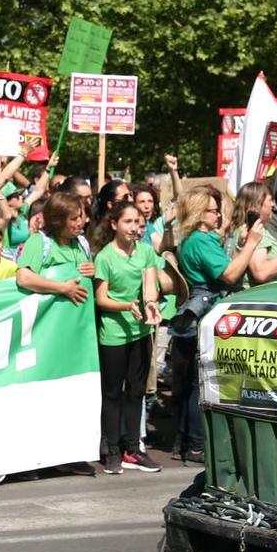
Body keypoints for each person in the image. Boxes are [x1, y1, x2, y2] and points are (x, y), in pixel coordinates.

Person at [169, 185, 263, 463]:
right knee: (203, 383)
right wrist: (252, 244)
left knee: (193, 382)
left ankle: (187, 441)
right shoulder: (201, 240)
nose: (218, 216)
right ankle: (197, 445)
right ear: (200, 213)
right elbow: (230, 274)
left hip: (199, 310)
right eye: (212, 210)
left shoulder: (195, 239)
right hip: (207, 309)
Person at [93, 199, 165, 473]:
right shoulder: (104, 257)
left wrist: (149, 304)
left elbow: (150, 285)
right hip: (113, 334)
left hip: (140, 330)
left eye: (138, 222)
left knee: (136, 392)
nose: (134, 227)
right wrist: (126, 305)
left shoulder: (146, 251)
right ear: (114, 225)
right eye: (128, 221)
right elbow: (101, 299)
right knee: (112, 393)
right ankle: (112, 450)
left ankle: (132, 449)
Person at [16, 191, 96, 306]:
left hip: (81, 320)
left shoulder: (82, 242)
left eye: (80, 216)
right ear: (58, 221)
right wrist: (63, 288)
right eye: (74, 219)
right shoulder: (39, 241)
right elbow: (23, 278)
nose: (80, 222)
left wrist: (93, 271)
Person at [229, 181, 277, 284]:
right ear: (257, 204)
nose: (273, 204)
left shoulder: (249, 229)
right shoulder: (255, 232)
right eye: (270, 200)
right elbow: (261, 273)